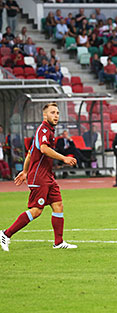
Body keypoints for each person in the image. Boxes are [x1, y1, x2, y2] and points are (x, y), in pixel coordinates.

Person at [0, 103, 78, 252]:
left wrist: (24, 171)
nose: (56, 115)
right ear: (45, 115)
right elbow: (43, 149)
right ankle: (5, 234)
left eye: (57, 113)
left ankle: (59, 242)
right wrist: (63, 158)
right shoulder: (43, 130)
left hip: (47, 176)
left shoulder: (48, 130)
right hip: (39, 176)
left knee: (58, 205)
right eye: (52, 112)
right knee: (36, 210)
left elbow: (30, 153)